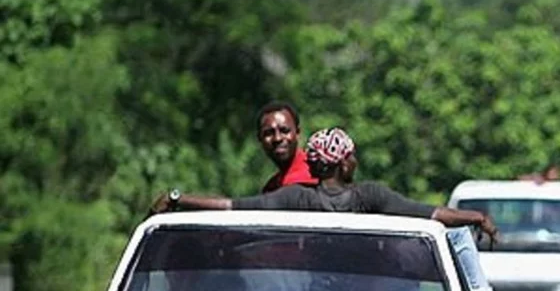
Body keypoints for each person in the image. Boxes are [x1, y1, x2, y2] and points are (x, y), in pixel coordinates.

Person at [153, 128, 497, 243]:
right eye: (353, 156)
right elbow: (431, 214)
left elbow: (231, 207)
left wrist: (179, 198)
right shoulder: (371, 196)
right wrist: (475, 218)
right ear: (344, 162)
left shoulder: (295, 197)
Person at [255, 101, 315, 192]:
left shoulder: (312, 177)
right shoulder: (272, 186)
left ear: (297, 133)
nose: (277, 138)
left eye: (284, 131)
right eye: (269, 133)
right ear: (259, 139)